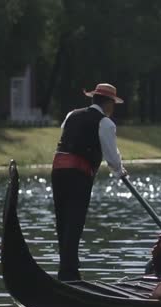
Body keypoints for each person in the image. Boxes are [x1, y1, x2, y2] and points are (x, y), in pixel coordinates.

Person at [51, 83, 128, 281]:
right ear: (109, 103)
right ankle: (69, 273)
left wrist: (118, 167)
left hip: (58, 170)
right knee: (75, 222)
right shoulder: (105, 123)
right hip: (78, 173)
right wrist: (120, 172)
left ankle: (67, 269)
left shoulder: (71, 115)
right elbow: (111, 157)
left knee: (63, 221)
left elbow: (68, 134)